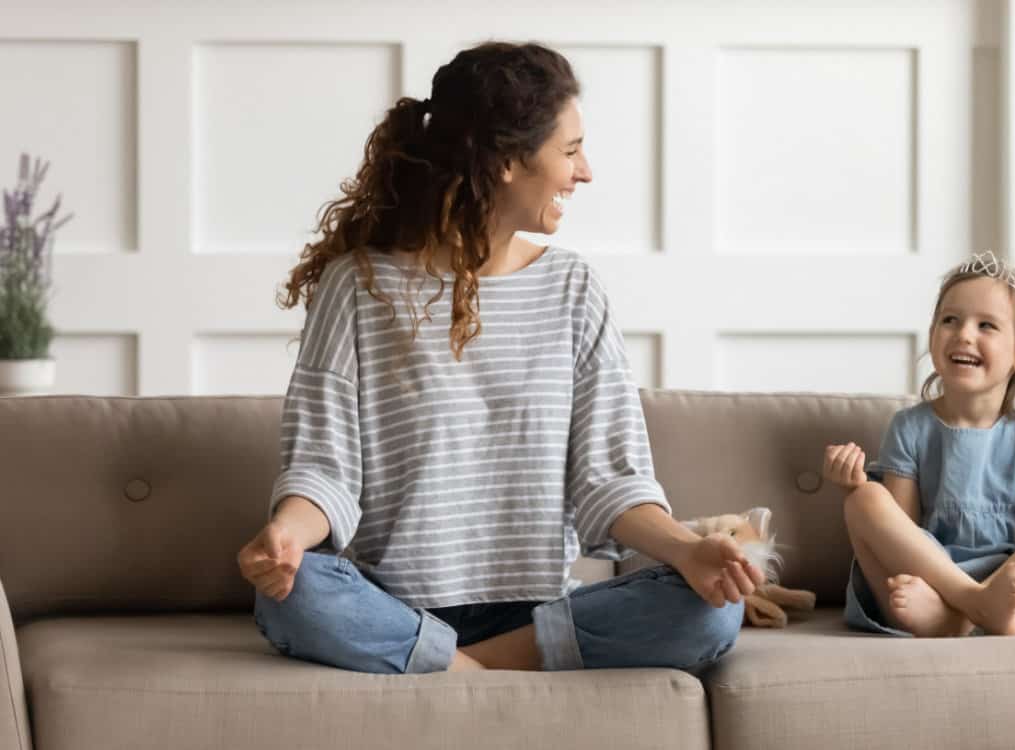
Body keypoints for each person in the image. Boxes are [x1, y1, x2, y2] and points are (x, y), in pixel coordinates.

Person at [237, 41, 761, 674]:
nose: (585, 171)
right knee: (291, 599)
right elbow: (325, 470)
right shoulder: (358, 286)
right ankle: (480, 667)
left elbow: (611, 483)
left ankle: (450, 667)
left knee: (710, 609)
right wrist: (288, 536)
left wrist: (687, 551)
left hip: (534, 611)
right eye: (570, 151)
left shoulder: (573, 289)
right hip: (392, 603)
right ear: (509, 160)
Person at [822, 251, 1015, 637]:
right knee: (864, 499)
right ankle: (969, 606)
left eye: (986, 326)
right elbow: (904, 533)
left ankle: (961, 618)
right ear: (932, 336)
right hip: (931, 585)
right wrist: (850, 482)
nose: (964, 334)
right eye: (950, 320)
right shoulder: (910, 427)